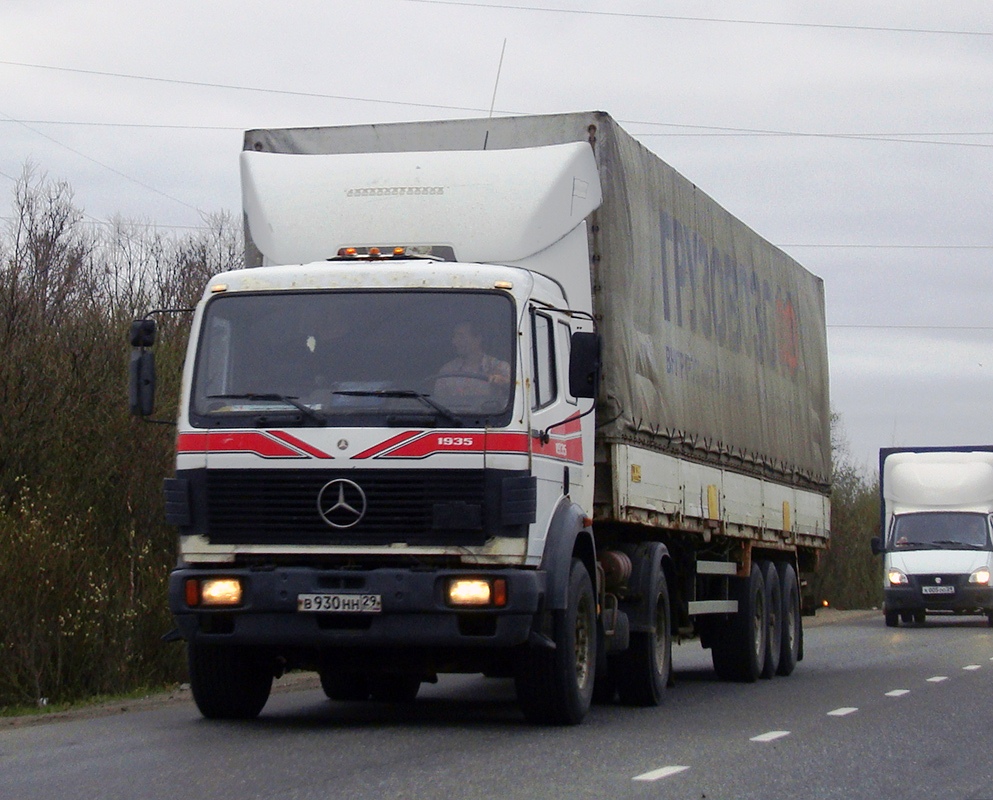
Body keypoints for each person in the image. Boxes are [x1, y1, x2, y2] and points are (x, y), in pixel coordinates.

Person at [434, 321, 510, 404]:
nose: (454, 342)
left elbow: (518, 395)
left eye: (461, 336)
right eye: (454, 337)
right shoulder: (447, 371)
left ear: (478, 339)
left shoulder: (501, 368)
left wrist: (504, 383)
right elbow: (439, 402)